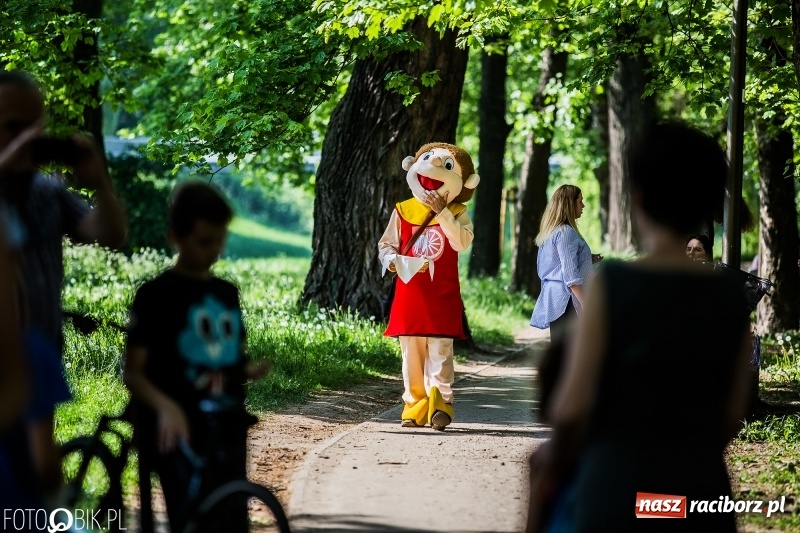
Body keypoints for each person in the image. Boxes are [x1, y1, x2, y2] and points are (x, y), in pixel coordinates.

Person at [527, 122, 752, 532]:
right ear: (706, 203)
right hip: (701, 492)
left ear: (639, 200)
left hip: (616, 488)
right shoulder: (730, 296)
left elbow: (570, 408)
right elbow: (732, 414)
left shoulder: (614, 283)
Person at [0, 69, 127, 508]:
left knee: (33, 481)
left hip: (39, 358)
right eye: (12, 127)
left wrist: (98, 181)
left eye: (34, 127)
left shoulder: (47, 192)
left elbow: (111, 235)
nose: (28, 138)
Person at [123, 181, 270, 532]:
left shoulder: (225, 293)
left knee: (231, 514)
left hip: (225, 423)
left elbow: (225, 359)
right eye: (205, 241)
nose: (215, 251)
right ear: (176, 235)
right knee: (190, 515)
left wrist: (246, 370)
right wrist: (167, 407)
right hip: (174, 427)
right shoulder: (156, 295)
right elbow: (134, 373)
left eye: (220, 240)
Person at [379, 142, 480, 431]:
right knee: (411, 353)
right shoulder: (403, 210)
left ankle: (440, 406)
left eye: (446, 166)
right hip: (410, 293)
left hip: (442, 293)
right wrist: (392, 260)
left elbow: (461, 243)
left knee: (440, 352)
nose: (434, 169)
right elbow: (386, 245)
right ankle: (414, 405)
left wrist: (443, 213)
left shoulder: (459, 211)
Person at [530, 184, 600, 344]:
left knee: (561, 351)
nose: (583, 205)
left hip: (555, 300)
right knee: (572, 351)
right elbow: (570, 277)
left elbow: (555, 265)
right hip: (568, 301)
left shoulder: (551, 232)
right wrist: (587, 304)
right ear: (570, 204)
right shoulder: (566, 233)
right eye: (580, 201)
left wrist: (587, 259)